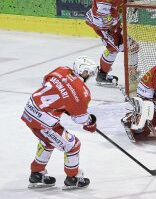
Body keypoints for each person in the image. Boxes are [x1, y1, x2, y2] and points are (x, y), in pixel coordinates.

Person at [21, 56, 98, 190]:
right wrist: (90, 122)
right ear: (82, 71)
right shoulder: (82, 92)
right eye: (87, 73)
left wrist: (64, 105)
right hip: (43, 122)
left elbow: (45, 83)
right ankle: (72, 178)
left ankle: (37, 174)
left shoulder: (62, 70)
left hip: (30, 109)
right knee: (73, 145)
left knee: (48, 142)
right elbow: (79, 119)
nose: (88, 76)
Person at [85, 0, 150, 85]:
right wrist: (111, 28)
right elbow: (102, 11)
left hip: (108, 24)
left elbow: (117, 2)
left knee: (114, 48)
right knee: (131, 46)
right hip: (103, 25)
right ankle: (132, 79)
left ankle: (102, 76)